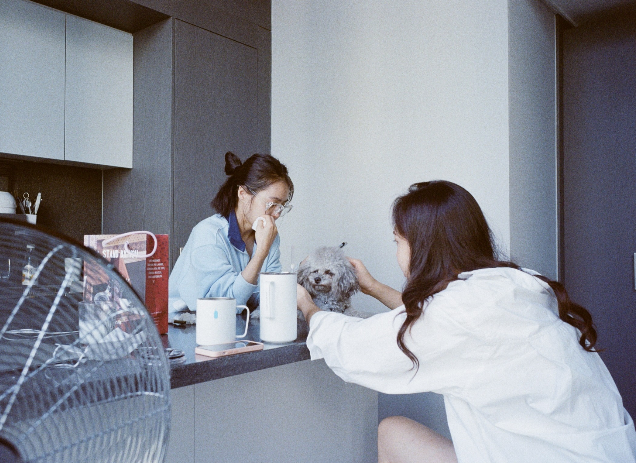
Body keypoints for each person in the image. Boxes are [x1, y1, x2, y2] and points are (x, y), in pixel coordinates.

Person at [297, 180, 636, 463]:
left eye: (398, 242)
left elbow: (357, 348)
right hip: (596, 452)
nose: (397, 252)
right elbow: (436, 324)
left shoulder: (456, 314)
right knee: (393, 433)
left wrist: (308, 307)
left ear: (423, 247)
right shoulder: (516, 285)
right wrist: (373, 287)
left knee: (391, 434)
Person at [168, 151, 293, 312]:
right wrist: (261, 252)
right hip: (184, 322)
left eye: (282, 206)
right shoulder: (209, 234)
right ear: (242, 193)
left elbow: (267, 294)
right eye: (272, 204)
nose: (277, 214)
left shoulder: (268, 236)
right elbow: (228, 305)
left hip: (234, 323)